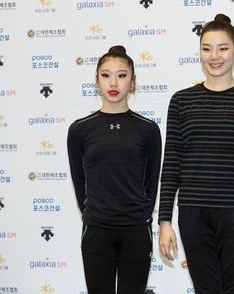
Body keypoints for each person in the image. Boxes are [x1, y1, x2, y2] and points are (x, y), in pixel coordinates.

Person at [157, 14, 234, 294]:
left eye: (223, 48)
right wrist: (165, 221)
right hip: (193, 213)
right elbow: (172, 162)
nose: (214, 56)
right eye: (207, 49)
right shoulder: (181, 101)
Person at [67, 45, 162, 294]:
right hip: (97, 229)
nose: (113, 82)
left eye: (121, 75)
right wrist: (93, 214)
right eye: (106, 75)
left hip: (136, 229)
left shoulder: (148, 129)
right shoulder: (80, 129)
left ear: (132, 82)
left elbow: (151, 181)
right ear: (97, 80)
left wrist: (140, 214)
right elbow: (79, 181)